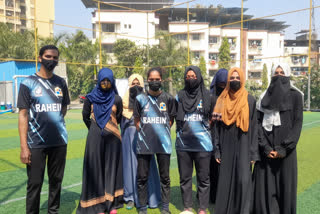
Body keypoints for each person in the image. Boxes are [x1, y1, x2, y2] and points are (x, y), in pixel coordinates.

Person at [18, 45, 70, 214]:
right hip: (35, 143)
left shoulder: (61, 82)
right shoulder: (28, 83)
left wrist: (56, 123)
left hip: (59, 141)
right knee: (34, 183)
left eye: (55, 58)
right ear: (40, 58)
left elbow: (63, 108)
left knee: (56, 181)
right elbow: (23, 115)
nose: (52, 60)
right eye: (48, 56)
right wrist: (24, 147)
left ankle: (52, 211)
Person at [252, 63, 303, 214]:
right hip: (266, 153)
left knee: (285, 190)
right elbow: (258, 124)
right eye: (276, 73)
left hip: (286, 154)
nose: (279, 76)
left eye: (282, 73)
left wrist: (283, 149)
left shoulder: (295, 96)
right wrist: (266, 148)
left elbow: (297, 124)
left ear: (287, 76)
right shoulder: (263, 99)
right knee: (265, 192)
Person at [212, 67, 259, 214]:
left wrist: (253, 153)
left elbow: (254, 127)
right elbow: (216, 128)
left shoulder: (249, 99)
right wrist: (217, 149)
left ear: (242, 79)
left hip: (244, 143)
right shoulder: (221, 100)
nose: (234, 81)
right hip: (226, 143)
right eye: (231, 78)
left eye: (237, 78)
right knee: (225, 180)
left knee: (243, 179)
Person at [77, 68, 123, 214]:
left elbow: (119, 117)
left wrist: (109, 128)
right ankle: (97, 206)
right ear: (98, 81)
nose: (105, 83)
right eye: (102, 80)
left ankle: (111, 205)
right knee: (95, 169)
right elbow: (85, 116)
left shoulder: (117, 99)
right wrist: (95, 129)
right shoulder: (90, 98)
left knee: (111, 169)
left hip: (113, 140)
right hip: (94, 138)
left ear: (112, 81)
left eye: (108, 80)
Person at [134, 67, 176, 214]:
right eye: (151, 79)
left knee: (165, 177)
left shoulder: (169, 98)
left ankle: (165, 207)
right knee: (142, 177)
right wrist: (146, 134)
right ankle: (143, 208)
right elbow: (137, 121)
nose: (154, 82)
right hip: (144, 144)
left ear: (161, 80)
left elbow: (170, 120)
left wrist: (160, 131)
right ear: (147, 80)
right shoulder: (140, 98)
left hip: (163, 144)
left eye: (157, 79)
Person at [175, 66, 214, 214]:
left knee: (203, 179)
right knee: (185, 178)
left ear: (199, 77)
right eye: (188, 76)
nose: (190, 78)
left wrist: (203, 130)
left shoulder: (207, 95)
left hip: (203, 145)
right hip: (183, 145)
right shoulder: (180, 95)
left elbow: (212, 117)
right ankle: (187, 207)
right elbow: (174, 116)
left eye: (193, 76)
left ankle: (202, 208)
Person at [121, 73, 161, 210]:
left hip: (145, 139)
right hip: (128, 139)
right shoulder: (123, 103)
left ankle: (151, 197)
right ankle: (130, 197)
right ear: (129, 85)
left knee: (146, 167)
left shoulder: (148, 100)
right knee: (129, 166)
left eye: (138, 84)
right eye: (133, 84)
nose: (136, 86)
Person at [209, 68, 228, 204]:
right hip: (212, 137)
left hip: (227, 137)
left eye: (224, 85)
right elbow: (211, 120)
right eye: (220, 85)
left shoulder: (231, 97)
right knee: (212, 169)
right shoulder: (211, 98)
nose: (222, 87)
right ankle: (212, 196)